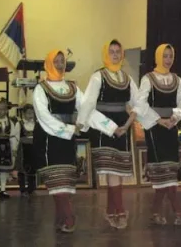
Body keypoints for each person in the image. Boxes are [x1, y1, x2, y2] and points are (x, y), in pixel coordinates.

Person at [33, 49, 118, 233]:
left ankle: (60, 218)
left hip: (67, 140)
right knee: (56, 180)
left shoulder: (72, 88)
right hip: (49, 138)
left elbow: (87, 109)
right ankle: (69, 217)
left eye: (62, 60)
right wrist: (70, 129)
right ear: (49, 63)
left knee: (65, 181)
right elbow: (43, 116)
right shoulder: (40, 88)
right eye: (56, 60)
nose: (60, 63)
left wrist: (110, 126)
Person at [77, 39, 142, 229]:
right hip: (103, 126)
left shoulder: (127, 78)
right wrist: (80, 124)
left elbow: (138, 102)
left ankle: (110, 211)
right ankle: (120, 210)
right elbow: (88, 103)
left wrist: (129, 123)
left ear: (122, 54)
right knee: (112, 170)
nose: (115, 54)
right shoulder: (98, 76)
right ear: (106, 53)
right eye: (112, 51)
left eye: (118, 51)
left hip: (123, 126)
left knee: (118, 171)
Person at [137, 44, 181, 225]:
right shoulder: (148, 79)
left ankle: (157, 211)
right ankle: (177, 209)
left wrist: (175, 117)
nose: (168, 59)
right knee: (161, 171)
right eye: (165, 56)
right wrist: (159, 120)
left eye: (170, 56)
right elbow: (141, 104)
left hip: (171, 127)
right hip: (155, 128)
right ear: (158, 57)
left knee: (170, 169)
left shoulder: (177, 80)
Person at [14, 104, 36, 197]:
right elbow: (15, 137)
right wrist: (14, 149)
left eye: (32, 113)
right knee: (22, 169)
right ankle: (22, 189)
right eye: (28, 113)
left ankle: (31, 188)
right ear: (23, 114)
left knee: (32, 169)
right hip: (23, 149)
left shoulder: (35, 124)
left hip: (33, 149)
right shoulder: (19, 124)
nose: (30, 115)